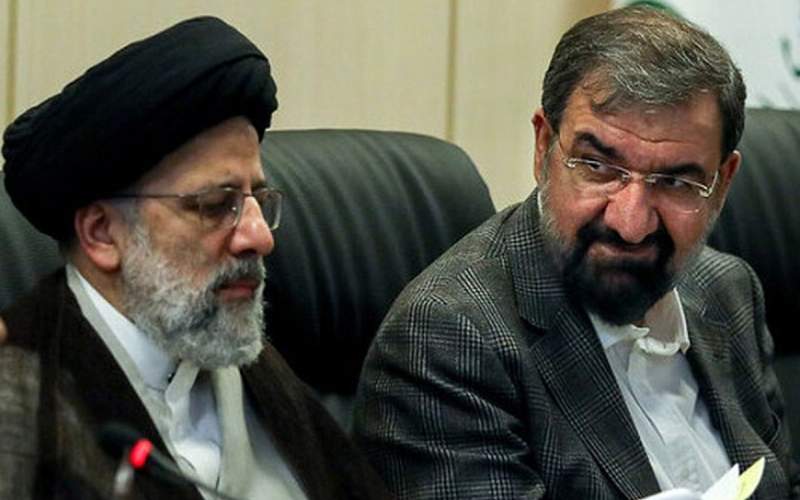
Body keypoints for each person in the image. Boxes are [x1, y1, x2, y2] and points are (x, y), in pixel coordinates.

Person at [354, 6, 799, 499]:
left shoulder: (727, 290)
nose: (631, 224)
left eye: (675, 182)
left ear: (722, 183)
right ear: (544, 146)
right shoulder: (450, 341)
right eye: (598, 167)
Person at [0, 17, 390, 500]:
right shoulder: (20, 404)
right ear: (102, 233)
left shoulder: (251, 358)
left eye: (257, 200)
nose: (259, 238)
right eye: (215, 205)